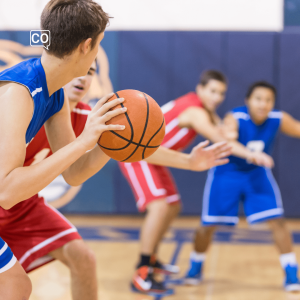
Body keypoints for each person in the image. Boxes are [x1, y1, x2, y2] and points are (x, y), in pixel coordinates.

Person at [0, 1, 126, 299]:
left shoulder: (53, 91)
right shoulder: (20, 93)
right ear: (86, 46)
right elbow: (6, 192)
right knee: (14, 285)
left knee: (14, 285)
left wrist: (111, 141)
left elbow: (73, 172)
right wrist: (85, 140)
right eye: (98, 45)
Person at [185, 81, 300, 292]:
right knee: (208, 225)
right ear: (248, 101)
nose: (263, 104)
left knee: (278, 221)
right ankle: (196, 264)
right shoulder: (234, 117)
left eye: (268, 100)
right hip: (226, 173)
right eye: (258, 99)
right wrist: (250, 154)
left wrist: (255, 159)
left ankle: (291, 273)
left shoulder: (277, 118)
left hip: (256, 174)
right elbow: (228, 141)